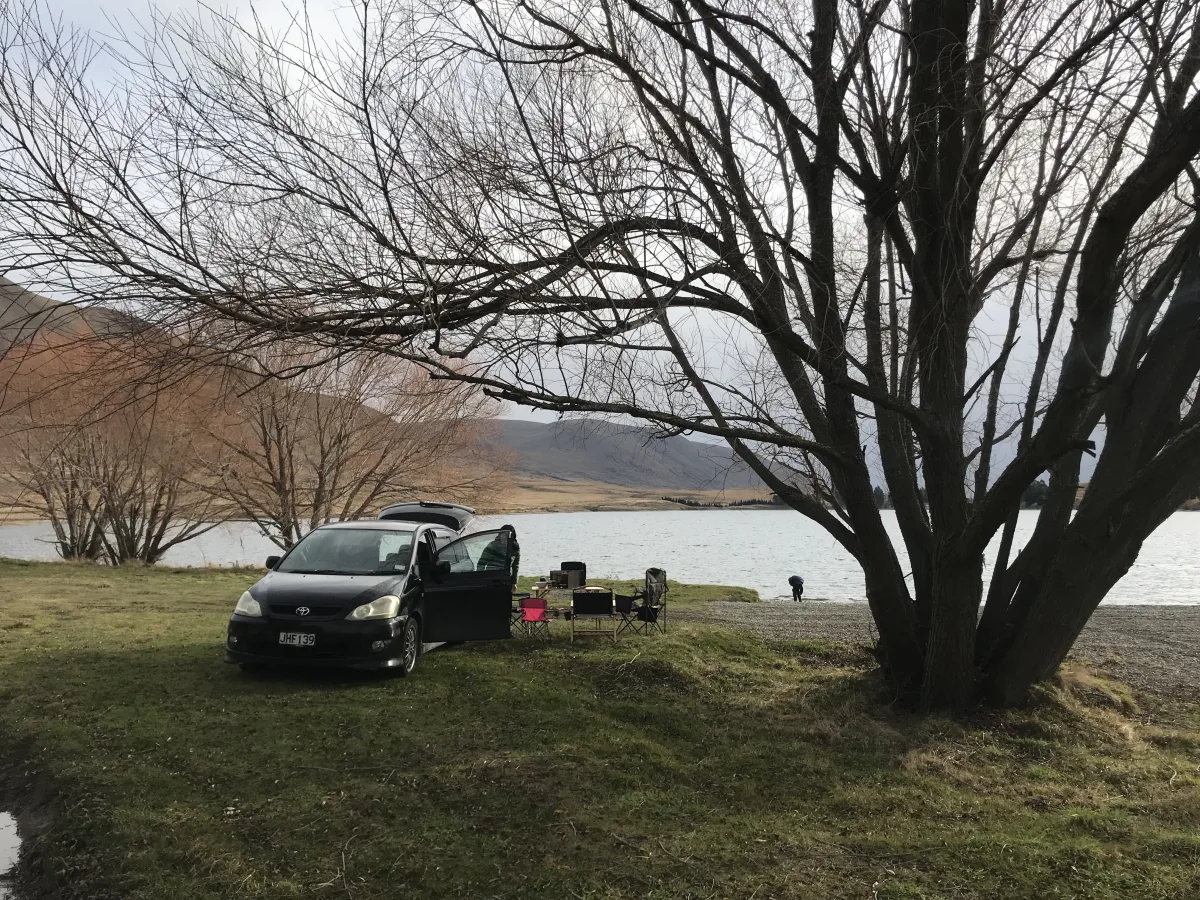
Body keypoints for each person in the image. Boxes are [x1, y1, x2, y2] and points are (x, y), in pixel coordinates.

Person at [478, 524, 521, 589]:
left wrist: (514, 582)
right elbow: (481, 563)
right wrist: (481, 579)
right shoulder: (492, 545)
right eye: (503, 534)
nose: (504, 537)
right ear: (499, 535)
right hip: (491, 578)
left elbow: (515, 566)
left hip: (506, 579)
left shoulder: (515, 548)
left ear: (512, 536)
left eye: (507, 535)